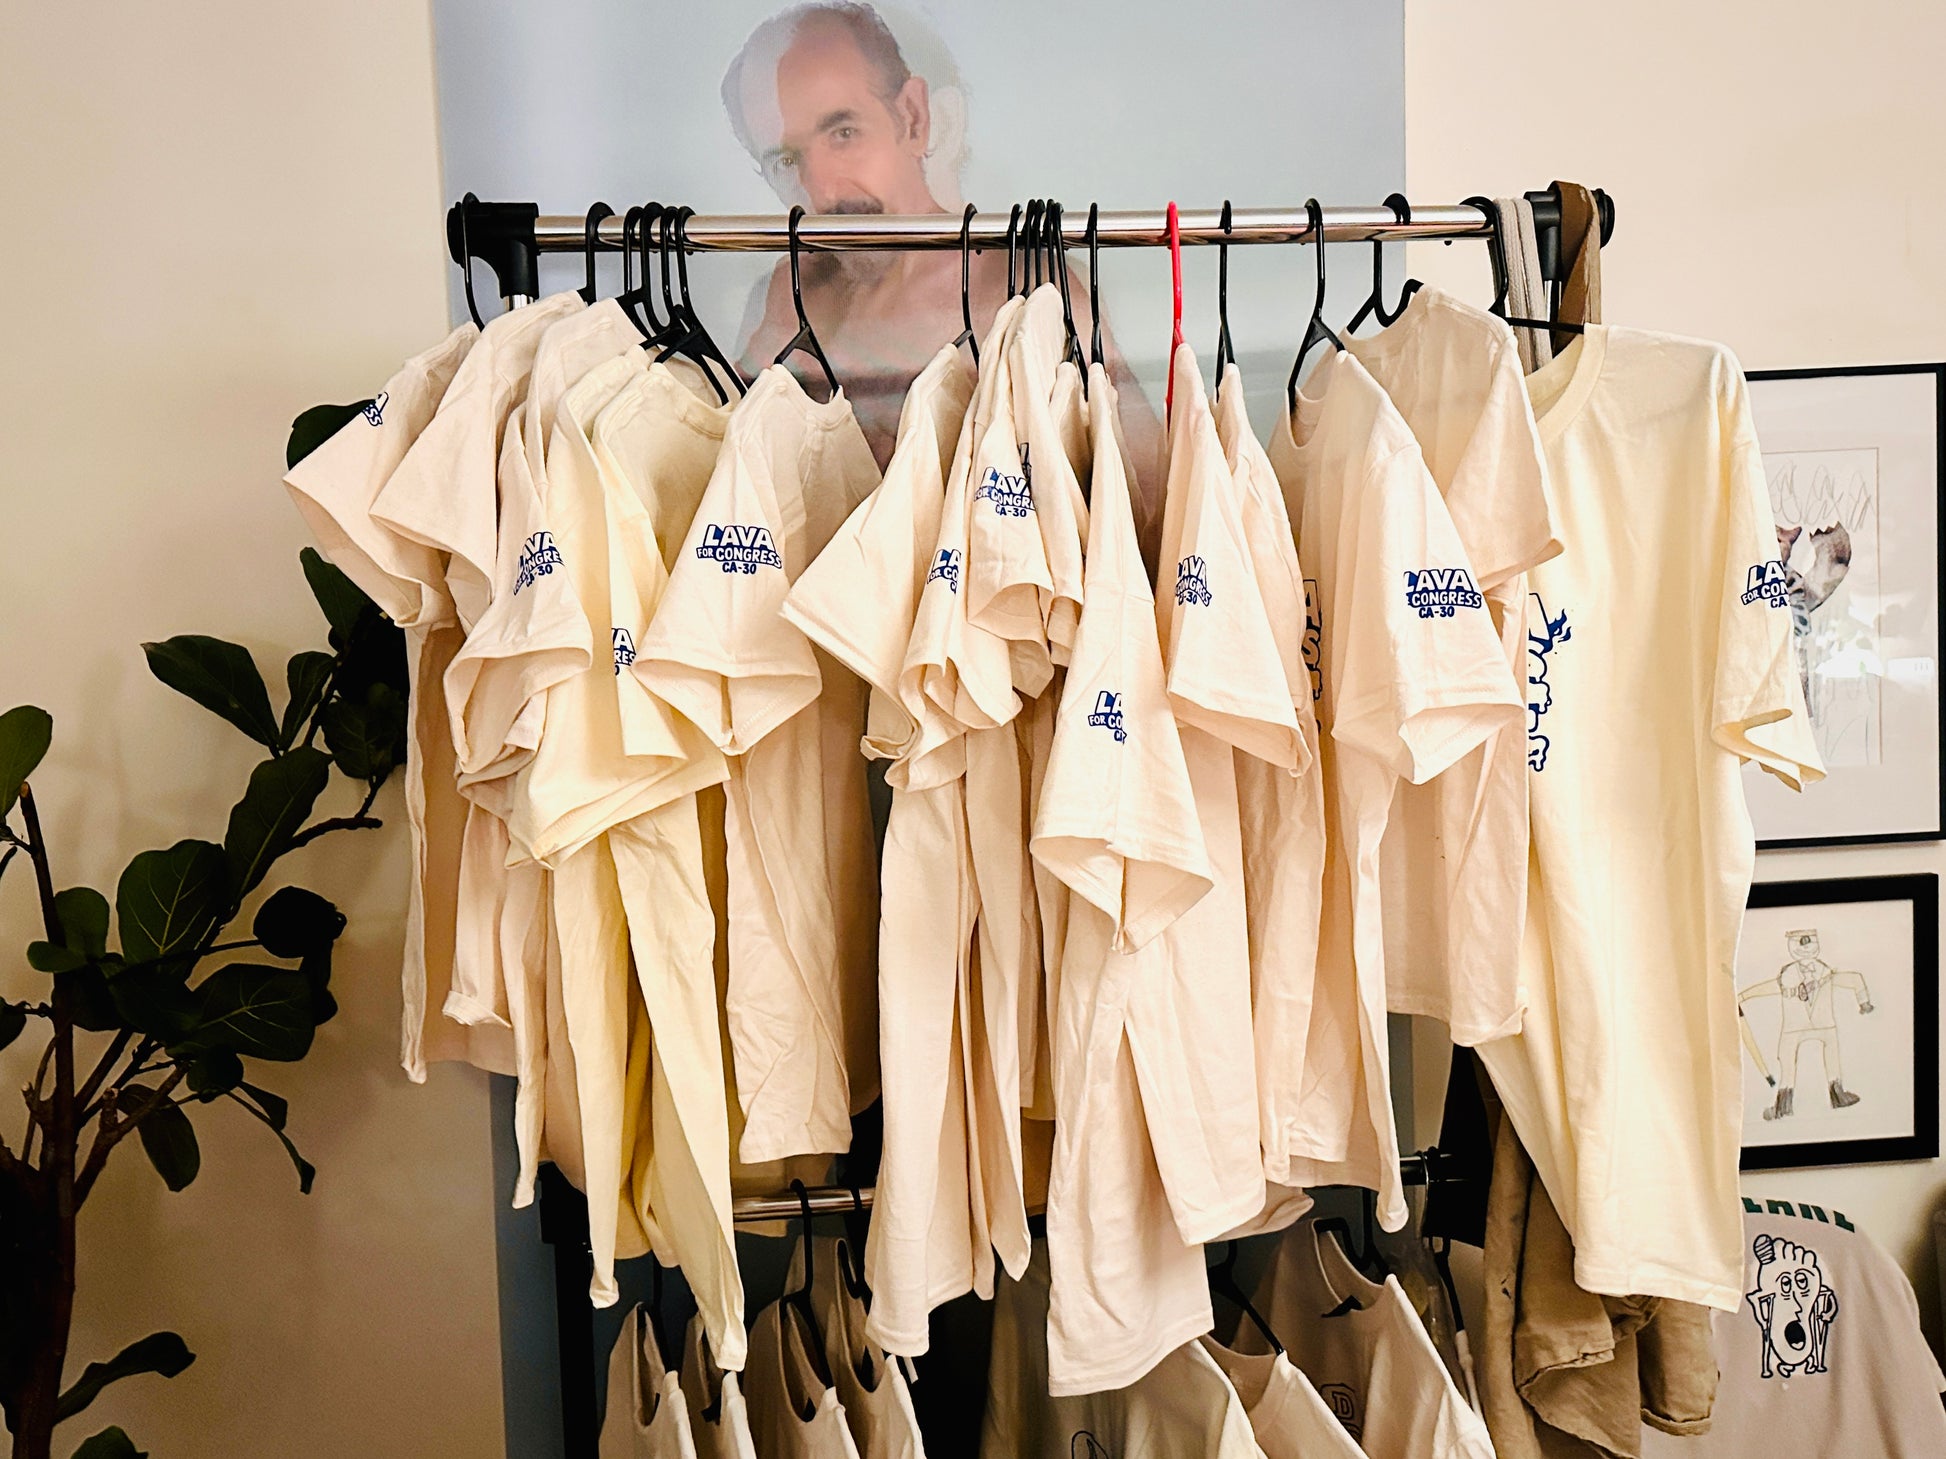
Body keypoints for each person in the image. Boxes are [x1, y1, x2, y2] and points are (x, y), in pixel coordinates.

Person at [720, 1, 1162, 533]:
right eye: (786, 161)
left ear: (913, 118)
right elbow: (723, 484)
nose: (822, 192)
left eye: (843, 133)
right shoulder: (792, 296)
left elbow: (1147, 514)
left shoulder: (1029, 293)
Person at [1738, 928, 1874, 1121]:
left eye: (1809, 942)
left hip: (1824, 1023)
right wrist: (1742, 996)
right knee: (1787, 1060)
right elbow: (1768, 987)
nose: (1805, 948)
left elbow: (1854, 979)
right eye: (1799, 943)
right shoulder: (1787, 976)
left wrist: (1864, 1001)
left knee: (1832, 1053)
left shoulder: (1826, 972)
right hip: (1794, 1026)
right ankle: (1783, 1105)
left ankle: (1838, 1095)